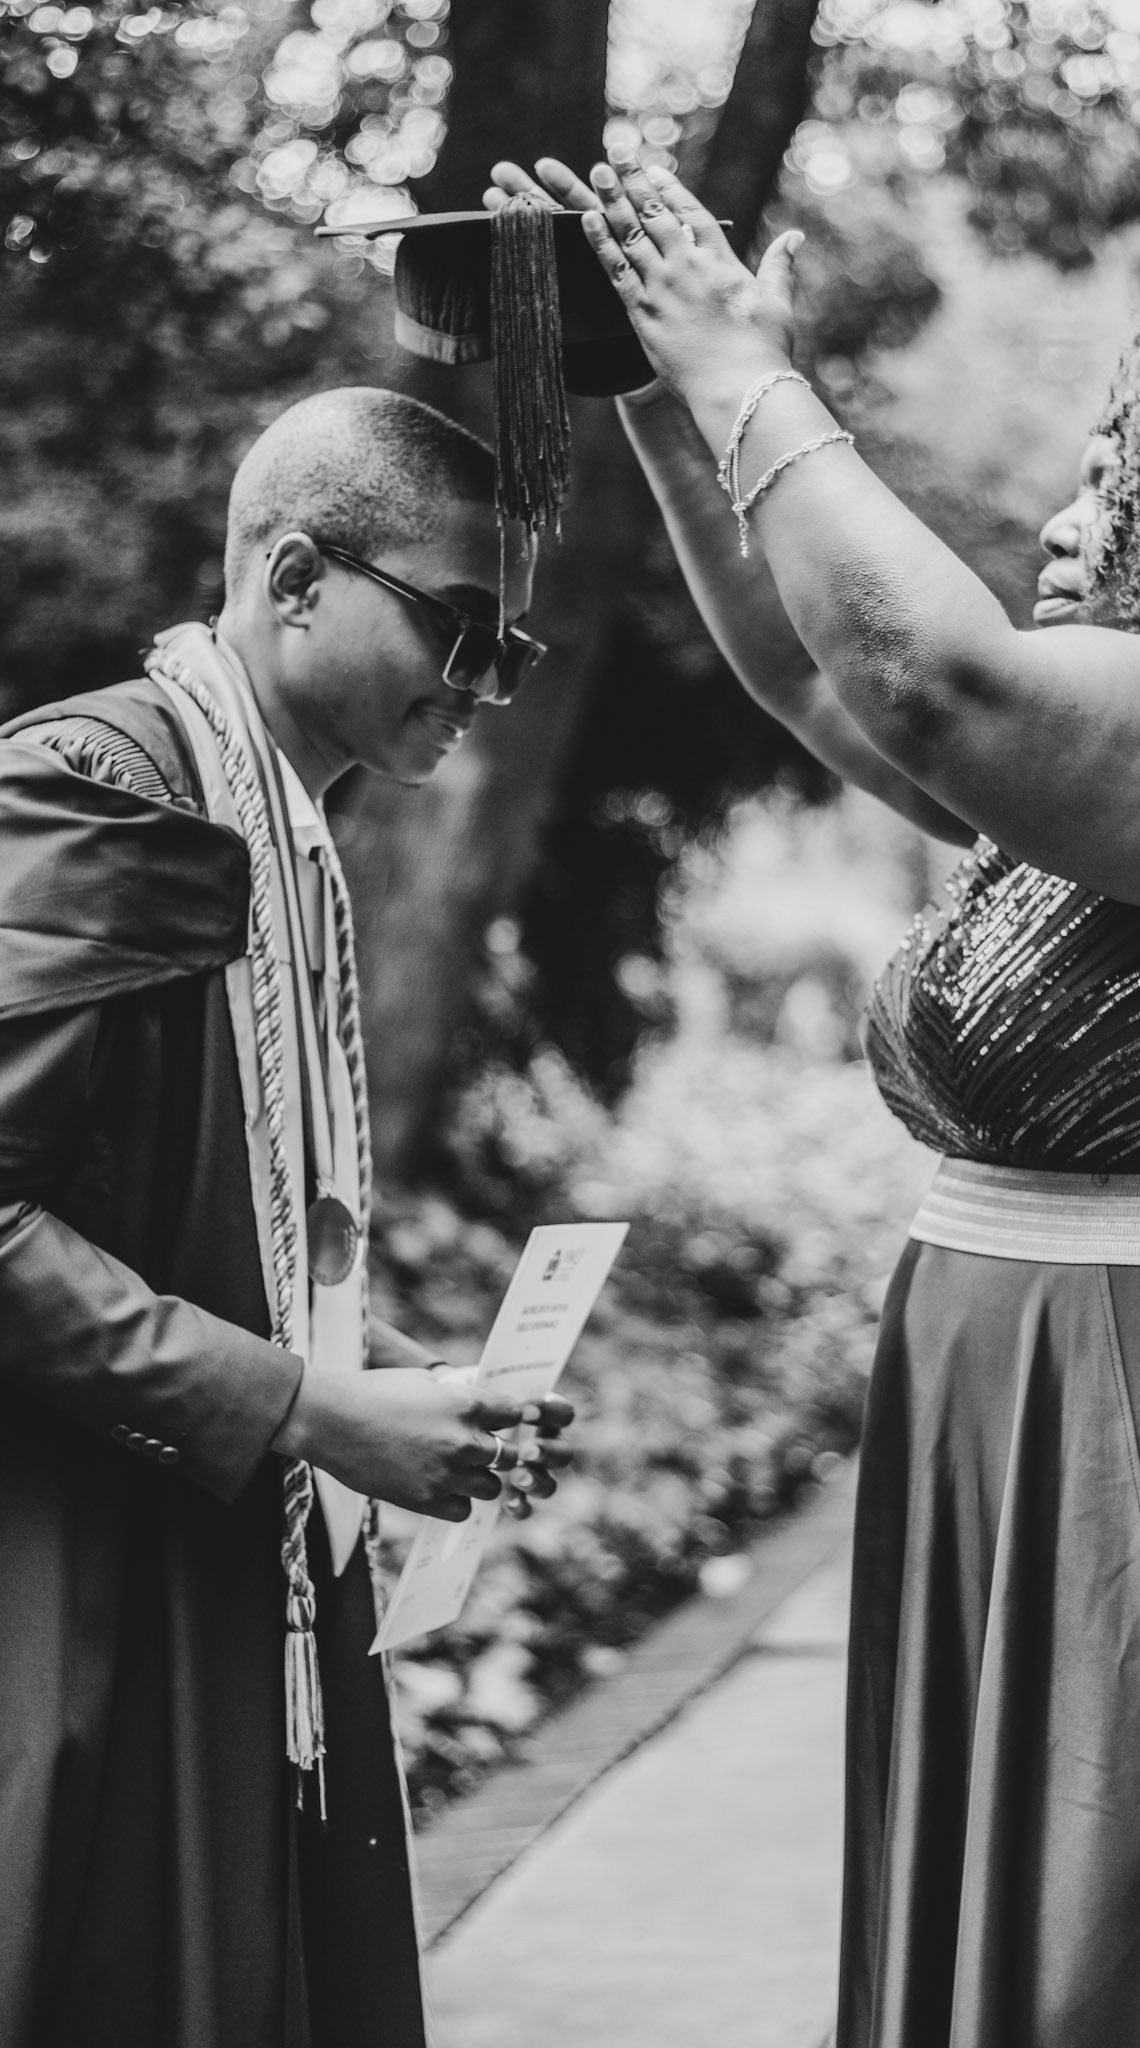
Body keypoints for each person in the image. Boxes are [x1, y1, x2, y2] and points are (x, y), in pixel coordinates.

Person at [486, 155, 1140, 2043]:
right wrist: (656, 392)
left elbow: (931, 677)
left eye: (1114, 484)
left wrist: (741, 363)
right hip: (1037, 1391)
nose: (1059, 518)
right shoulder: (1107, 788)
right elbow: (820, 671)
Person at [0, 385, 572, 2048]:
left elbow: (207, 1206)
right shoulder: (103, 782)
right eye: (456, 629)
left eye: (507, 651)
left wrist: (393, 1381)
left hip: (238, 1545)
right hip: (86, 1572)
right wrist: (311, 1411)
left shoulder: (291, 832)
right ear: (298, 577)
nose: (480, 685)